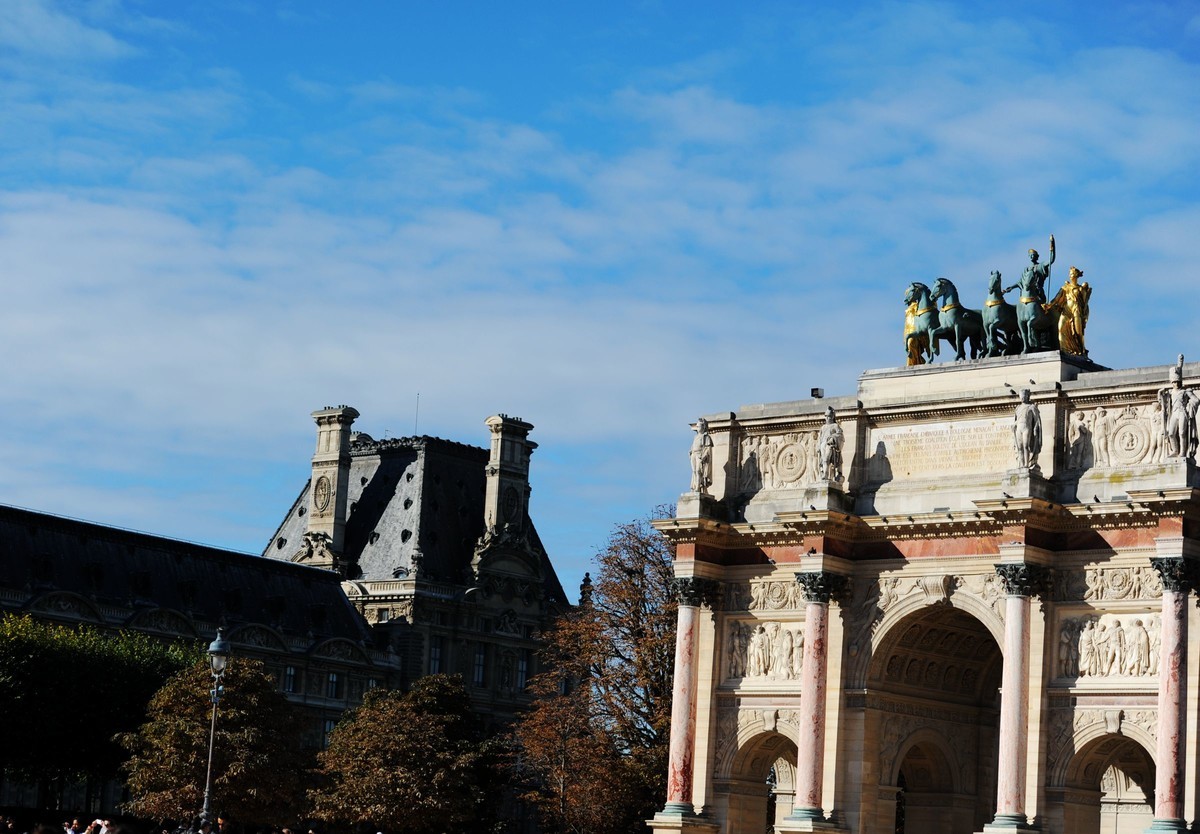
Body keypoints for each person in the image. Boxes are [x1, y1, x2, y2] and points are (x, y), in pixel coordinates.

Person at [1051, 266, 1091, 356]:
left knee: (1078, 332)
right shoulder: (1065, 287)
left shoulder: (1080, 289)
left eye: (1072, 274)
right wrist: (1049, 305)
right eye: (1069, 274)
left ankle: (1082, 350)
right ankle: (1064, 350)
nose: (1070, 275)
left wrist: (1084, 314)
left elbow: (1084, 303)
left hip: (1076, 310)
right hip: (1066, 310)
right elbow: (1056, 298)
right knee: (1061, 327)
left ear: (1076, 275)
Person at [1013, 389, 1042, 469]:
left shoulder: (1031, 407)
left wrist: (1035, 428)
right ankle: (1021, 464)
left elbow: (1037, 420)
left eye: (1024, 396)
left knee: (1026, 445)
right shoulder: (1018, 408)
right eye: (1021, 396)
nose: (1022, 397)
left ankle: (1026, 464)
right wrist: (1014, 425)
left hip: (1027, 428)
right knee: (1019, 447)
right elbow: (1017, 419)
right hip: (1019, 428)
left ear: (1027, 396)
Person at [689, 417, 714, 493]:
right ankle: (695, 486)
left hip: (700, 455)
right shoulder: (696, 437)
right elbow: (693, 446)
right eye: (697, 426)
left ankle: (697, 487)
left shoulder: (706, 437)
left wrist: (704, 455)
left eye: (699, 426)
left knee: (698, 471)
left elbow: (708, 448)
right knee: (694, 471)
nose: (697, 428)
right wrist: (691, 451)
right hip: (694, 454)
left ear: (703, 427)